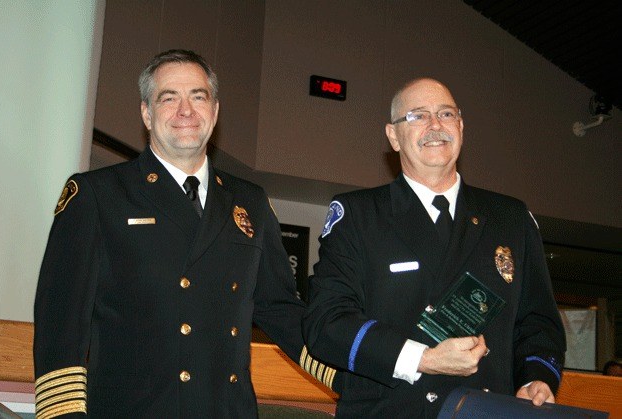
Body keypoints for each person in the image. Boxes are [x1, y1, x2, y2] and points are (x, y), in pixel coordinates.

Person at [33, 49, 337, 418]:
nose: (186, 111)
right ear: (146, 113)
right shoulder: (98, 195)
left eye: (198, 96)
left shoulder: (250, 202)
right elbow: (60, 326)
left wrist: (354, 374)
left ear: (215, 111)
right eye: (168, 98)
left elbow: (282, 312)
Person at [302, 78, 566, 418]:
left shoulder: (510, 219)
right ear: (393, 136)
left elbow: (538, 322)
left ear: (461, 126)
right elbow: (327, 323)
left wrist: (537, 378)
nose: (435, 125)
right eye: (418, 116)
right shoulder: (359, 216)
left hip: (485, 411)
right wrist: (424, 359)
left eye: (446, 114)